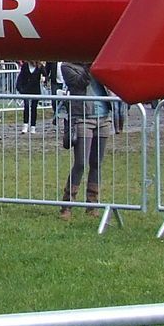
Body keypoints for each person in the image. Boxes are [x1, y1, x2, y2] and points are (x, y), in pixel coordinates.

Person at [57, 61, 106, 219]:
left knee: (96, 163)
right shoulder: (67, 67)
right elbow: (79, 84)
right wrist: (89, 66)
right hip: (82, 118)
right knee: (80, 163)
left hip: (104, 117)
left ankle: (92, 204)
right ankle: (67, 204)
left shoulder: (101, 63)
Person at [16, 61, 45, 132]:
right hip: (26, 90)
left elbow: (45, 75)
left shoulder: (40, 66)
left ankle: (33, 126)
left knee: (34, 108)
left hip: (35, 90)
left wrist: (44, 79)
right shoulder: (25, 65)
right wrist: (19, 88)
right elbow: (21, 77)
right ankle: (25, 125)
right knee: (26, 106)